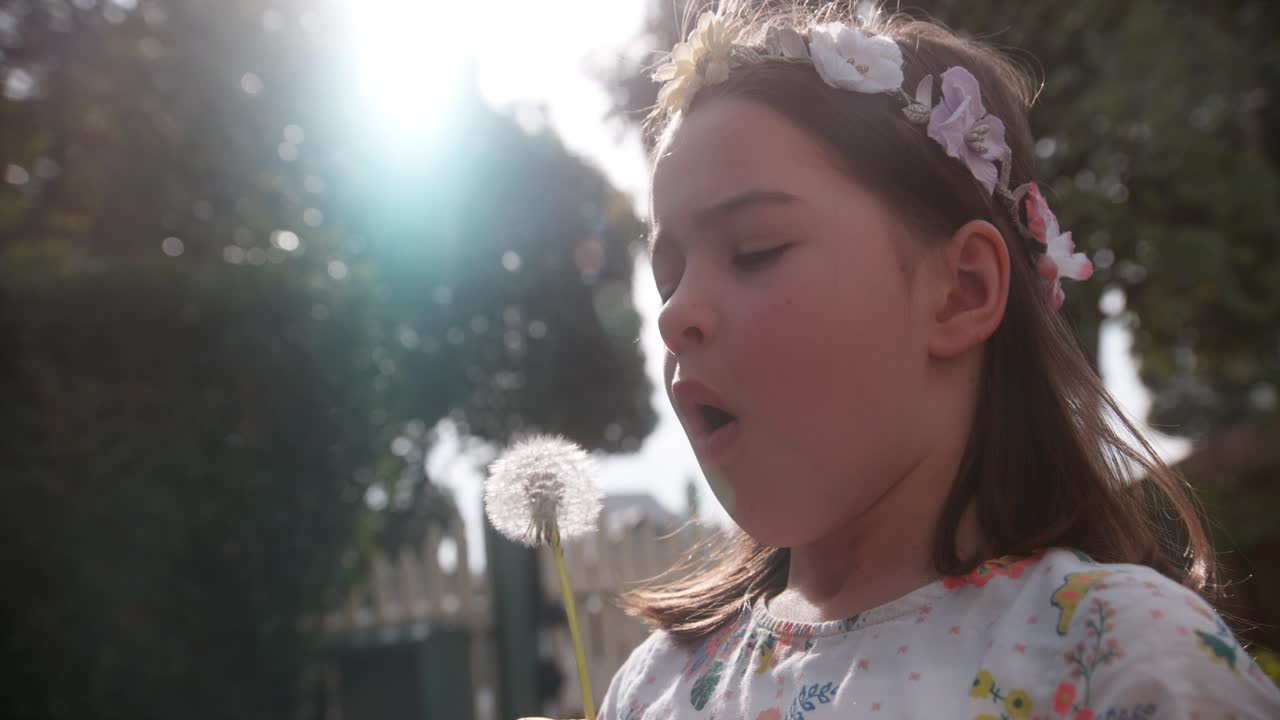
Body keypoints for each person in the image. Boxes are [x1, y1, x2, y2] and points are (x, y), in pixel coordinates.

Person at [533, 4, 1280, 719]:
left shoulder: (1121, 660)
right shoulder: (654, 688)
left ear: (961, 291)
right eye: (668, 279)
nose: (674, 316)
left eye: (755, 251)